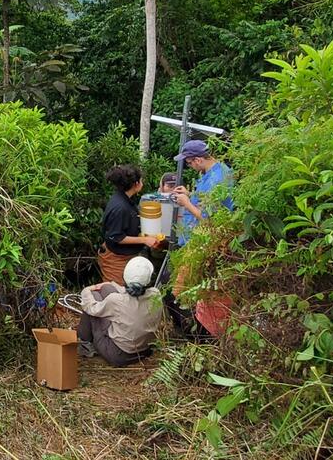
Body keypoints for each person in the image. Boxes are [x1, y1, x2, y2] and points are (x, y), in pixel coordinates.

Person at [168, 139, 234, 338]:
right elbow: (205, 201)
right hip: (196, 240)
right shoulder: (213, 172)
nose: (189, 167)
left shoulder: (218, 178)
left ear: (197, 160)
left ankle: (197, 337)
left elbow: (210, 218)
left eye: (189, 163)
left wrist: (186, 203)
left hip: (207, 243)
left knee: (180, 294)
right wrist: (190, 194)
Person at [77, 256, 160, 366]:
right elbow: (129, 292)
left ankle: (85, 344)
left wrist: (86, 290)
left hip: (118, 355)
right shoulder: (156, 294)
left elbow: (91, 308)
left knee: (94, 296)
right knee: (107, 289)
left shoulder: (117, 301)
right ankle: (88, 342)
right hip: (144, 350)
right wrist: (109, 284)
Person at [97, 164, 160, 285]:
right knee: (116, 291)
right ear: (135, 184)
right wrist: (144, 240)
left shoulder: (124, 199)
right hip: (115, 258)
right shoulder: (120, 208)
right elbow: (117, 237)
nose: (142, 183)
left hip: (125, 255)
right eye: (141, 180)